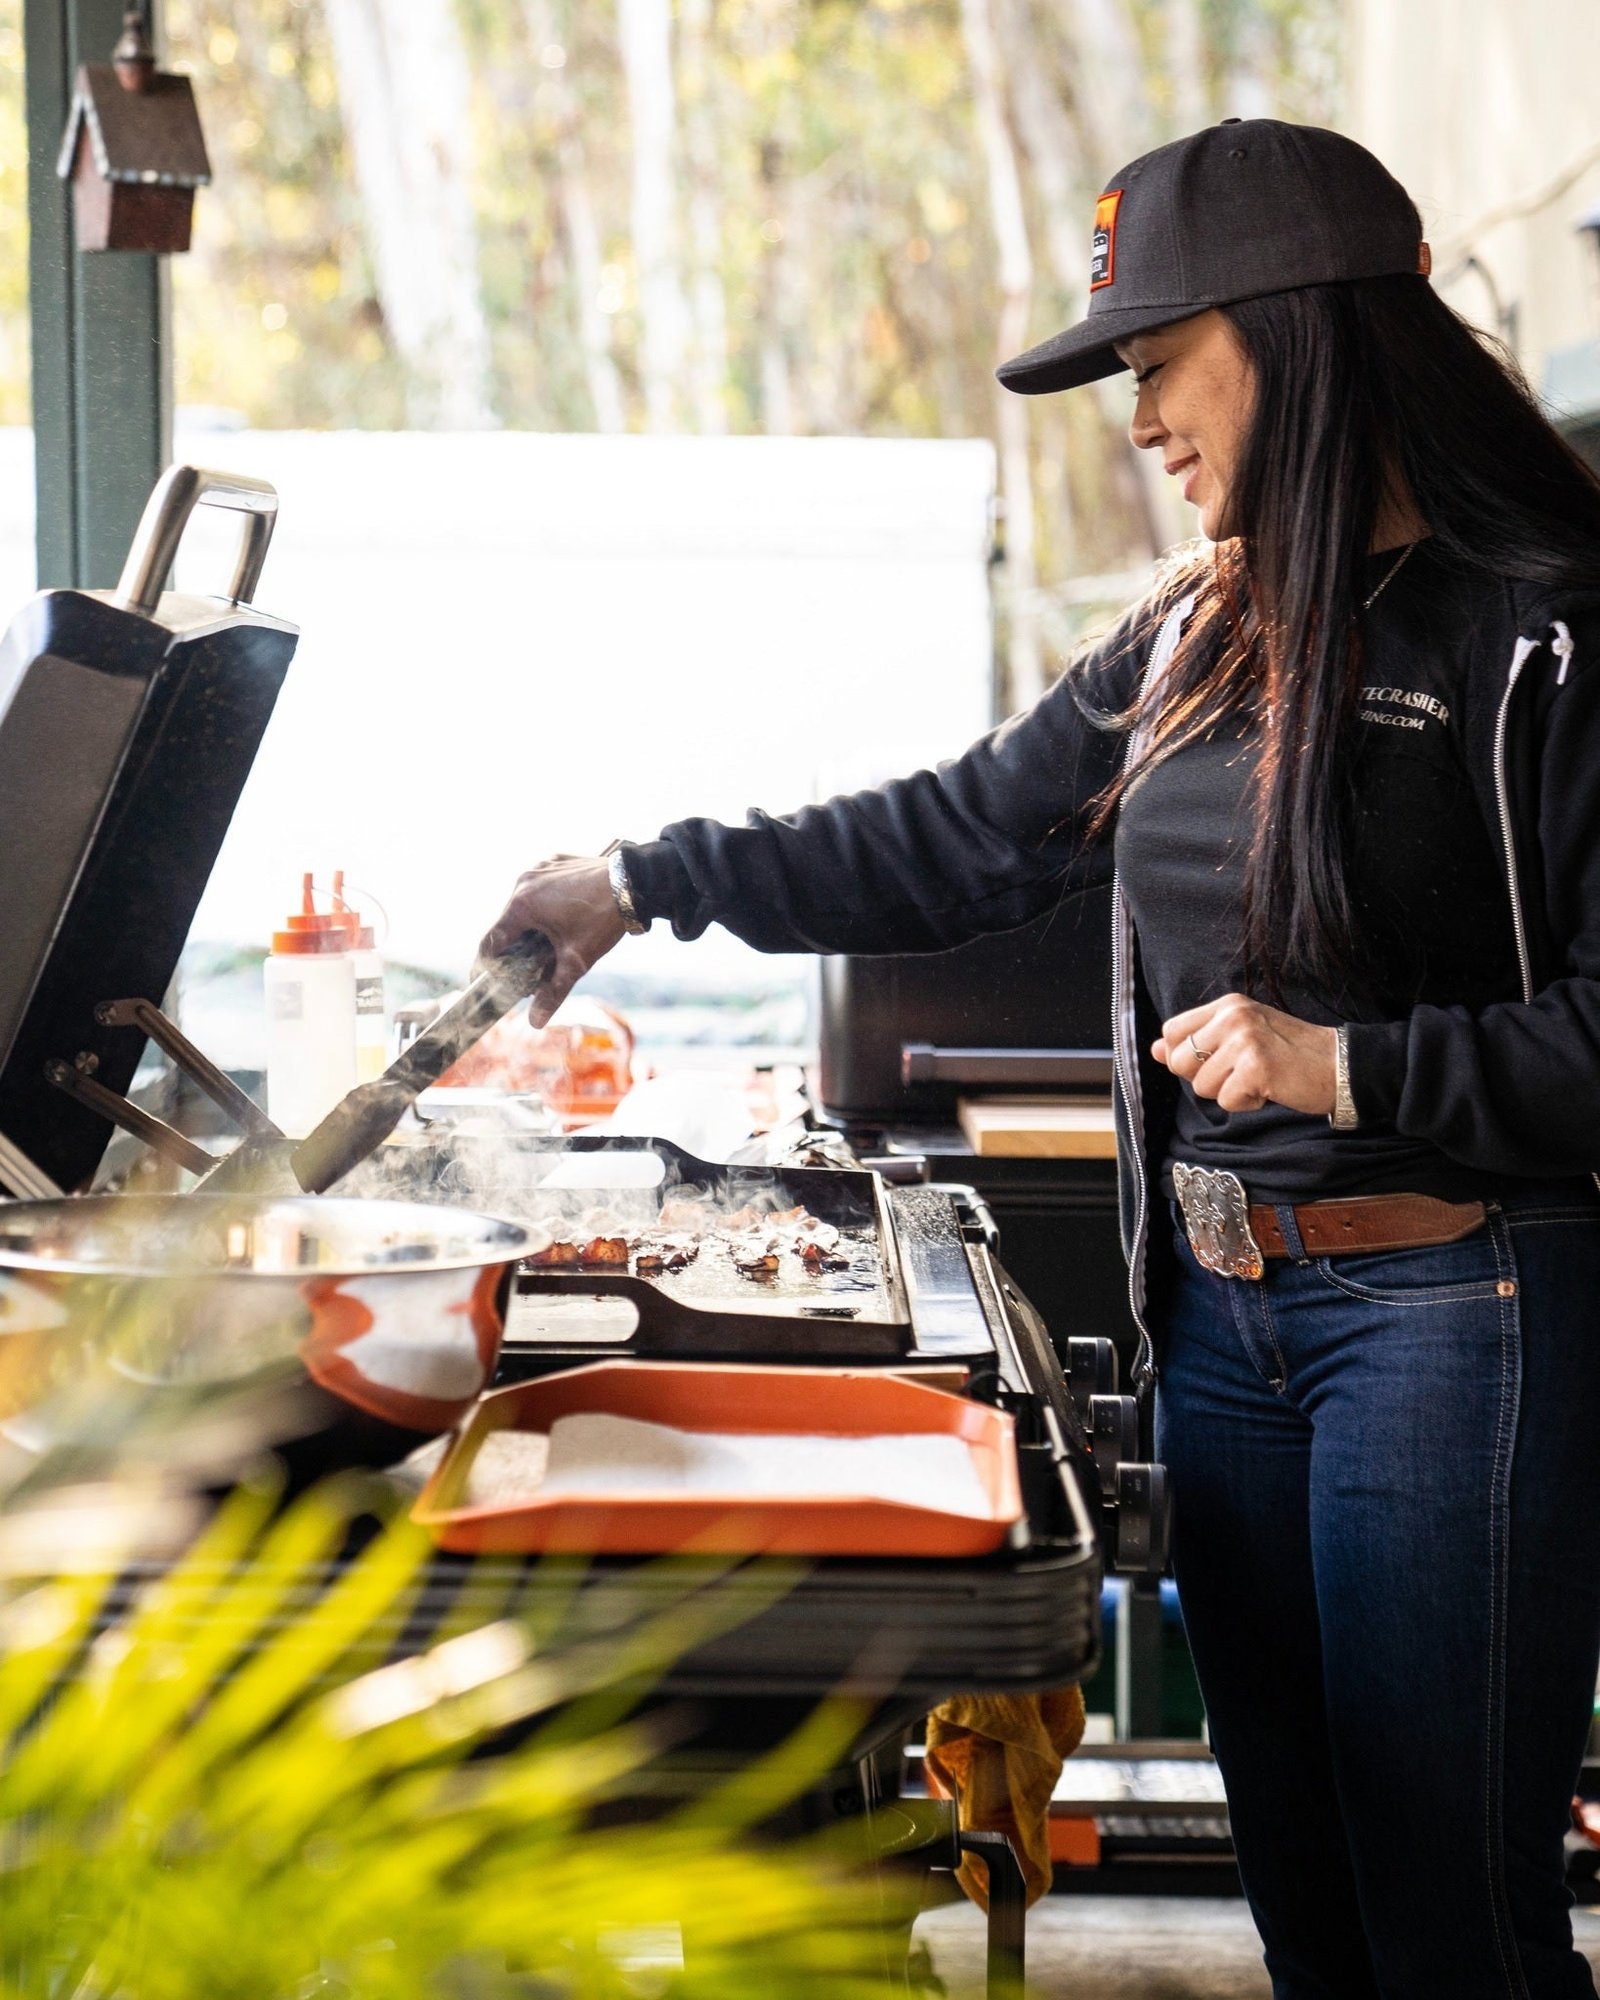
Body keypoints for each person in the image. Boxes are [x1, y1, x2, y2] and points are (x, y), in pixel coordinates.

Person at [481, 119, 1600, 1998]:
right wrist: (645, 879)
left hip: (1453, 1316)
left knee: (1450, 1933)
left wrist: (1351, 1070)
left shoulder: (1549, 622)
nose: (1141, 421)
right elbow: (954, 836)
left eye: (1162, 364)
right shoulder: (1198, 632)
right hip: (1225, 1334)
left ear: (1304, 333)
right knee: (1311, 1910)